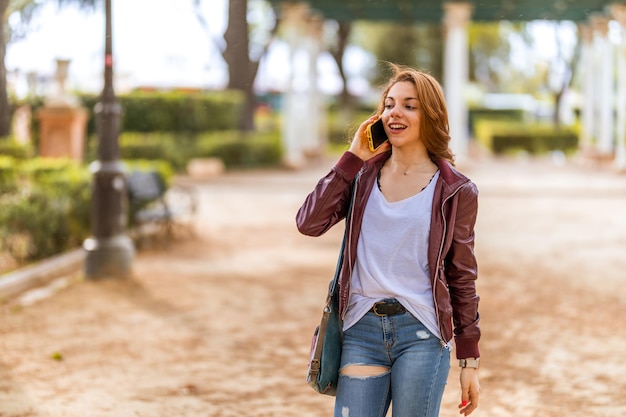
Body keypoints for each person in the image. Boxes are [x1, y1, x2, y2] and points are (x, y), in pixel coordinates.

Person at [296, 63, 481, 417]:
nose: (395, 112)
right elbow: (309, 222)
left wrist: (469, 359)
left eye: (409, 105)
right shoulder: (362, 175)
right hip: (360, 329)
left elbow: (462, 276)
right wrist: (351, 158)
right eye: (390, 104)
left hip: (423, 331)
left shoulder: (456, 190)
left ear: (431, 116)